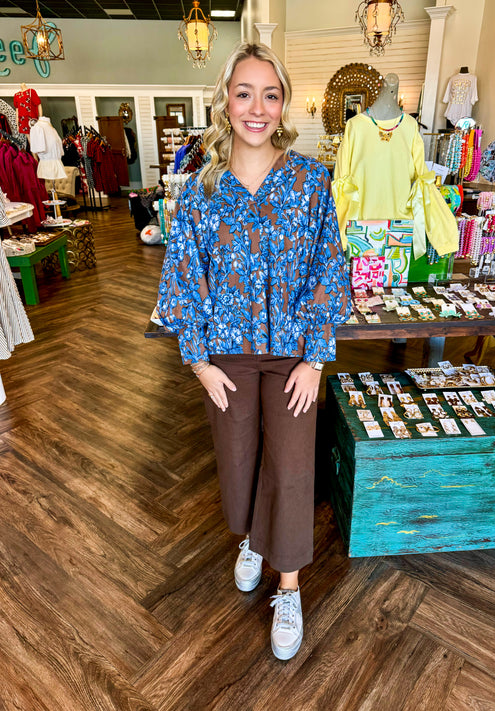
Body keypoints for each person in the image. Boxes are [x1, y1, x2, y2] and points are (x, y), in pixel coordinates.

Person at [157, 42, 350, 661]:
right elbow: (182, 277)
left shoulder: (311, 181)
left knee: (292, 464)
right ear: (225, 101)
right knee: (239, 465)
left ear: (284, 103)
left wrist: (316, 358)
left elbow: (330, 268)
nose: (258, 107)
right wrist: (199, 361)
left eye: (271, 94)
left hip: (294, 350)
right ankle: (253, 541)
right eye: (245, 92)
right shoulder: (198, 192)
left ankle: (288, 586)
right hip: (228, 355)